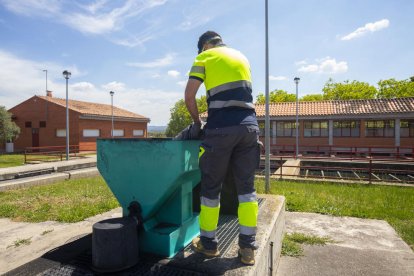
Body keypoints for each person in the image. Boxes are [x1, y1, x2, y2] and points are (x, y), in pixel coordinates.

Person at [184, 31, 260, 265]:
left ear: (205, 46)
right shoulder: (241, 57)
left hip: (220, 129)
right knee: (246, 190)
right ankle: (247, 249)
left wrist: (198, 123)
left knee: (210, 189)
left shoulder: (205, 58)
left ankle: (208, 244)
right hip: (249, 128)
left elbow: (189, 96)